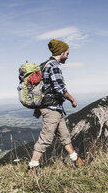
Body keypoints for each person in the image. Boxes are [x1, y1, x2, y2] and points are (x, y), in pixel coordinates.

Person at [27, 39, 87, 175]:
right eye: (67, 53)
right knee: (46, 138)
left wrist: (38, 108)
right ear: (62, 52)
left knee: (65, 136)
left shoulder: (44, 65)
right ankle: (32, 168)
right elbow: (59, 88)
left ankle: (77, 161)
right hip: (51, 109)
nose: (68, 56)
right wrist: (72, 99)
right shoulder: (54, 66)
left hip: (54, 108)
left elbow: (42, 90)